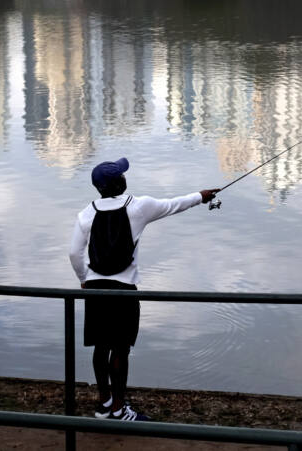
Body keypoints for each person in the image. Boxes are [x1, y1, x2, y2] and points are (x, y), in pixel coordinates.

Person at [68, 156, 219, 422]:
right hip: (124, 289)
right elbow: (174, 205)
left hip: (94, 289)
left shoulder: (86, 213)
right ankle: (119, 409)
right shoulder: (139, 207)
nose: (126, 177)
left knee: (101, 348)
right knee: (120, 349)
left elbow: (73, 253)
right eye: (123, 175)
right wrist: (202, 195)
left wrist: (83, 279)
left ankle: (104, 405)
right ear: (119, 182)